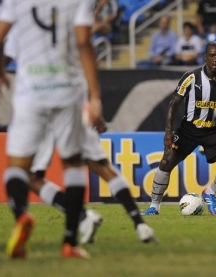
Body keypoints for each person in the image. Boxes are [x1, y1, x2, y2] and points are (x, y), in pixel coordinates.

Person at [0, 0, 102, 259]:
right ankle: (69, 242)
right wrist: (95, 95)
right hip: (67, 90)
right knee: (73, 164)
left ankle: (22, 215)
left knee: (17, 167)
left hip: (30, 92)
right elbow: (83, 42)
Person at [141, 41, 216, 216]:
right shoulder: (191, 77)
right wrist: (169, 132)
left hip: (214, 131)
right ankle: (154, 206)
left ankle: (209, 192)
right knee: (166, 161)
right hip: (189, 129)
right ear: (205, 57)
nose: (215, 59)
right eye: (211, 55)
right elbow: (173, 105)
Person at [29, 118, 156, 245]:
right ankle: (140, 224)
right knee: (103, 167)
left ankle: (82, 218)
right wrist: (96, 115)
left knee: (32, 178)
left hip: (48, 118)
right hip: (76, 116)